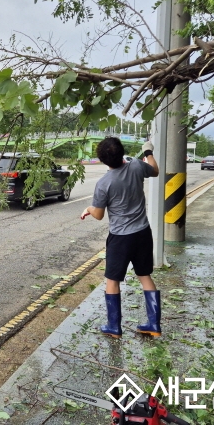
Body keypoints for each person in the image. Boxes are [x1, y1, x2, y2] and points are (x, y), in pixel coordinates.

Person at [80, 137, 161, 338]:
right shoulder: (136, 166)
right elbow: (155, 170)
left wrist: (89, 208)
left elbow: (98, 215)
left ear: (102, 160)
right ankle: (154, 325)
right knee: (145, 276)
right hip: (142, 232)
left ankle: (114, 327)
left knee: (112, 280)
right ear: (121, 151)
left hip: (120, 238)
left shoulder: (104, 183)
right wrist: (148, 151)